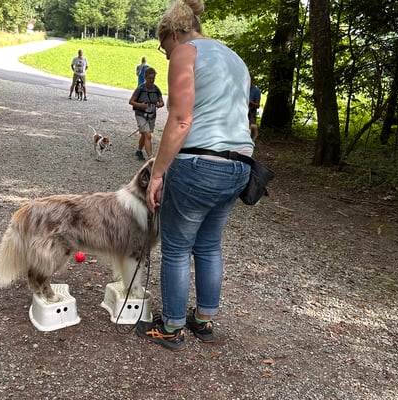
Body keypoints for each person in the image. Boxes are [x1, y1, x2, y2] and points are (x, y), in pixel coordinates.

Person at [136, 0, 255, 351]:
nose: (167, 55)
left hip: (199, 164)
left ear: (174, 34)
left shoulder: (185, 53)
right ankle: (203, 320)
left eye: (164, 48)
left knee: (176, 248)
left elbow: (180, 120)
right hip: (239, 166)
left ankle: (171, 327)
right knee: (208, 245)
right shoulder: (234, 58)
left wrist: (157, 173)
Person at [128, 67, 164, 160]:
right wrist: (140, 105)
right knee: (148, 135)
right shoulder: (140, 88)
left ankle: (139, 150)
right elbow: (131, 101)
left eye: (153, 78)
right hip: (140, 115)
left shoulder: (156, 89)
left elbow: (162, 103)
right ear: (145, 77)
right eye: (149, 78)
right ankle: (150, 158)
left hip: (151, 116)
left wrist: (159, 104)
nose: (151, 80)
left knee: (145, 135)